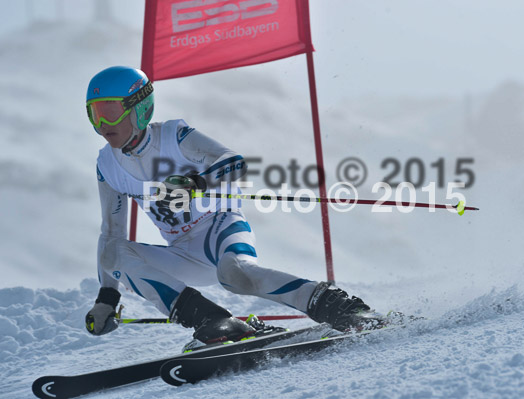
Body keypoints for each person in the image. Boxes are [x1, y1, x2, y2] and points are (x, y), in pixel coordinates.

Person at [84, 66, 384, 350]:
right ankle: (213, 320)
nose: (103, 125)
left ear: (140, 107)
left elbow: (234, 163)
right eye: (95, 115)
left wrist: (196, 184)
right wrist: (107, 297)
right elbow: (112, 233)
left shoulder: (173, 137)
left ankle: (341, 307)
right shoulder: (107, 165)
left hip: (220, 226)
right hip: (183, 252)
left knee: (236, 276)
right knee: (111, 252)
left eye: (110, 114)